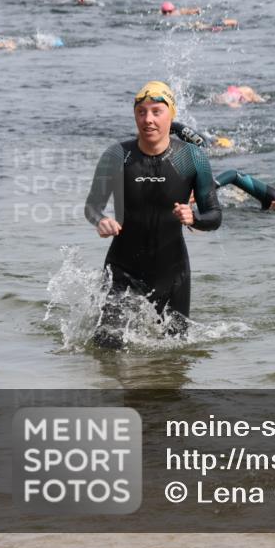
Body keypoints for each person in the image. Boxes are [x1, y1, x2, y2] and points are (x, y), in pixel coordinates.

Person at [84, 81, 222, 348]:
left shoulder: (192, 158)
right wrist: (100, 220)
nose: (148, 119)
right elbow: (92, 205)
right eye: (141, 112)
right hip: (122, 269)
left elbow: (215, 216)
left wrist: (194, 219)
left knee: (175, 355)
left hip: (173, 273)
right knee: (106, 347)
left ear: (171, 114)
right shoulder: (118, 155)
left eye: (157, 111)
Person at [171, 121, 275, 210]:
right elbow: (233, 174)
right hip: (218, 144)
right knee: (204, 146)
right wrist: (211, 186)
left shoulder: (272, 208)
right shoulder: (274, 197)